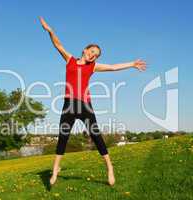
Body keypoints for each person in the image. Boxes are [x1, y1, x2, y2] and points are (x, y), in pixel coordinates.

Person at [39, 16, 147, 186]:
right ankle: (55, 170)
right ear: (85, 50)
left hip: (85, 105)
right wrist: (50, 31)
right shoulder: (70, 60)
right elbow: (58, 45)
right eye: (92, 52)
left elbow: (112, 67)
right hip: (69, 104)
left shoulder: (93, 67)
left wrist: (132, 64)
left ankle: (109, 167)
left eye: (96, 55)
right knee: (63, 137)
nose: (93, 56)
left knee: (96, 136)